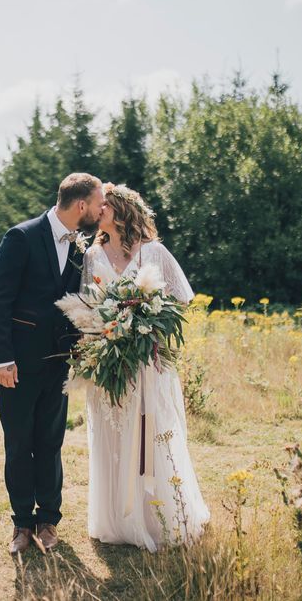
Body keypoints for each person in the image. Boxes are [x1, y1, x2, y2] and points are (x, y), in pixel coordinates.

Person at [81, 183, 209, 552]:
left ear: (120, 209)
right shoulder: (93, 255)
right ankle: (119, 518)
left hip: (149, 360)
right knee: (113, 429)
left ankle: (157, 515)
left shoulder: (154, 251)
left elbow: (182, 298)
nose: (97, 210)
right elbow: (89, 304)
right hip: (111, 356)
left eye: (104, 205)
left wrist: (151, 322)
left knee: (152, 428)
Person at [0, 173, 105, 556]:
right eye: (99, 202)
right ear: (81, 205)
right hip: (16, 364)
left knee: (50, 442)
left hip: (58, 364)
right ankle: (21, 523)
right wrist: (1, 358)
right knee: (19, 443)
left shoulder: (80, 247)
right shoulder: (20, 237)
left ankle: (48, 520)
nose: (101, 209)